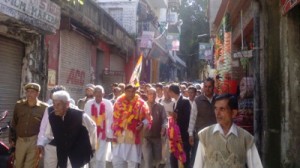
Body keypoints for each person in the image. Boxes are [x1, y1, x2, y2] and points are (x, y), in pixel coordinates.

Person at [193, 94, 263, 168]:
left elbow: (256, 165)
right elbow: (198, 165)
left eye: (222, 109)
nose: (217, 113)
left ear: (233, 113)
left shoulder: (246, 139)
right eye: (216, 109)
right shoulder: (205, 135)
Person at [45, 90, 97, 168]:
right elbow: (49, 134)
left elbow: (92, 127)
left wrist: (92, 146)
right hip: (63, 154)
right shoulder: (52, 116)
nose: (55, 107)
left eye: (58, 104)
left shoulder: (80, 115)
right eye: (54, 104)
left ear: (67, 104)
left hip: (78, 153)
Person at [111, 84, 152, 168]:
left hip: (134, 138)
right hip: (120, 137)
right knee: (118, 162)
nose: (131, 93)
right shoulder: (118, 102)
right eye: (128, 91)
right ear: (124, 91)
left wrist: (142, 124)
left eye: (133, 91)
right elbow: (113, 118)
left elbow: (148, 119)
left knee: (132, 163)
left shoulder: (141, 104)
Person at [9, 83, 48, 168]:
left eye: (32, 92)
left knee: (30, 166)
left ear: (38, 93)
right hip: (20, 140)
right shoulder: (19, 105)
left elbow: (45, 127)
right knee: (18, 164)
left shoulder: (44, 108)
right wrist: (12, 139)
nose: (29, 94)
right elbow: (14, 123)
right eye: (28, 91)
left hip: (34, 141)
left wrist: (41, 143)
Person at [37, 85, 71, 168]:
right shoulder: (49, 109)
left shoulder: (73, 110)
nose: (55, 103)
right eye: (53, 100)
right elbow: (43, 128)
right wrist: (40, 143)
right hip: (51, 146)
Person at [189, 78, 217, 166]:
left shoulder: (218, 100)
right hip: (200, 137)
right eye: (205, 86)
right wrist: (190, 134)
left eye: (210, 87)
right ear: (203, 87)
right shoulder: (197, 101)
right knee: (198, 162)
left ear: (213, 87)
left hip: (215, 136)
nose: (207, 89)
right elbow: (192, 119)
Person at [84, 85, 114, 168]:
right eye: (96, 96)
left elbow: (111, 120)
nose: (98, 98)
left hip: (103, 134)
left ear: (103, 94)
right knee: (92, 156)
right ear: (93, 94)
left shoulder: (108, 104)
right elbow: (85, 119)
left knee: (101, 157)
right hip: (92, 134)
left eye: (100, 96)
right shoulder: (89, 103)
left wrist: (110, 134)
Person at [142, 87, 167, 168]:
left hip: (157, 138)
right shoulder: (143, 106)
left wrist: (164, 127)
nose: (152, 96)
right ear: (147, 95)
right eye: (150, 94)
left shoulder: (160, 107)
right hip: (146, 138)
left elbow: (164, 120)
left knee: (157, 160)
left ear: (156, 95)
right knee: (148, 161)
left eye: (154, 94)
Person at [168, 84, 191, 168]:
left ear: (172, 92)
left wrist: (176, 116)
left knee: (184, 157)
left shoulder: (185, 101)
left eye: (169, 92)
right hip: (175, 135)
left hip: (183, 135)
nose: (168, 94)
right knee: (173, 157)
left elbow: (187, 118)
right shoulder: (175, 103)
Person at [160, 85, 175, 168]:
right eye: (165, 91)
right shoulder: (160, 102)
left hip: (172, 127)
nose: (166, 93)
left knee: (171, 145)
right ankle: (163, 160)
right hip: (162, 127)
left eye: (168, 91)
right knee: (162, 144)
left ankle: (170, 162)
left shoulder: (174, 102)